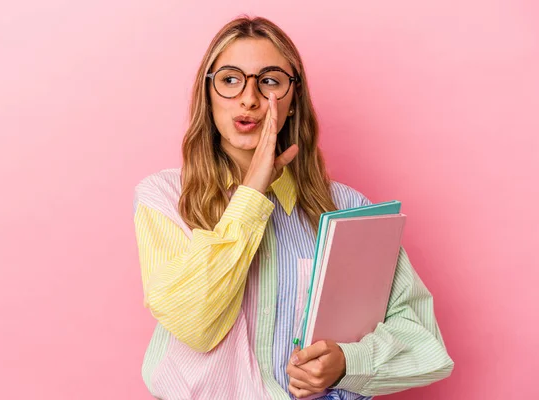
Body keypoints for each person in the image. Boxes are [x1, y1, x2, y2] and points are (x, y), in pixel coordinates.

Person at [133, 16, 454, 400]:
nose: (250, 99)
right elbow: (194, 324)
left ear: (292, 99)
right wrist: (252, 193)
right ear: (208, 94)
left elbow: (424, 341)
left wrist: (348, 362)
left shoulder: (348, 209)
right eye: (230, 79)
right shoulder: (165, 197)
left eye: (269, 80)